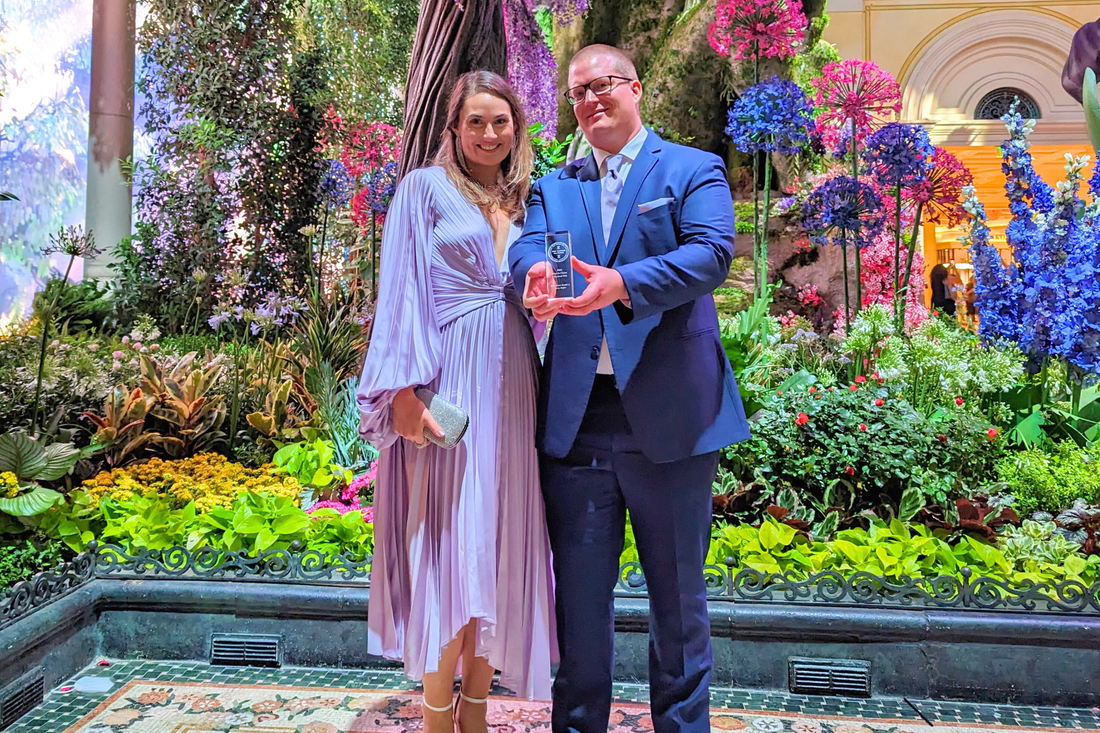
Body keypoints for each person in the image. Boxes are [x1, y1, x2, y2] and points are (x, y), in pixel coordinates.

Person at [509, 44, 751, 733]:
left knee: (677, 604)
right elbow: (530, 246)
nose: (590, 100)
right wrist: (531, 274)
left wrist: (623, 285)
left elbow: (710, 251)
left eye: (602, 85)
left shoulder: (690, 168)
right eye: (577, 92)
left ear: (636, 89)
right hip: (579, 422)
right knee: (579, 609)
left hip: (672, 420)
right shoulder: (556, 185)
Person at [356, 70, 555, 733]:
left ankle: (476, 715)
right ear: (454, 127)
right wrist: (406, 391)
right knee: (447, 542)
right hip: (447, 380)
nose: (489, 132)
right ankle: (438, 720)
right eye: (476, 121)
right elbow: (403, 291)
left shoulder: (532, 200)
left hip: (516, 383)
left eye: (500, 121)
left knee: (496, 541)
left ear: (517, 128)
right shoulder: (423, 190)